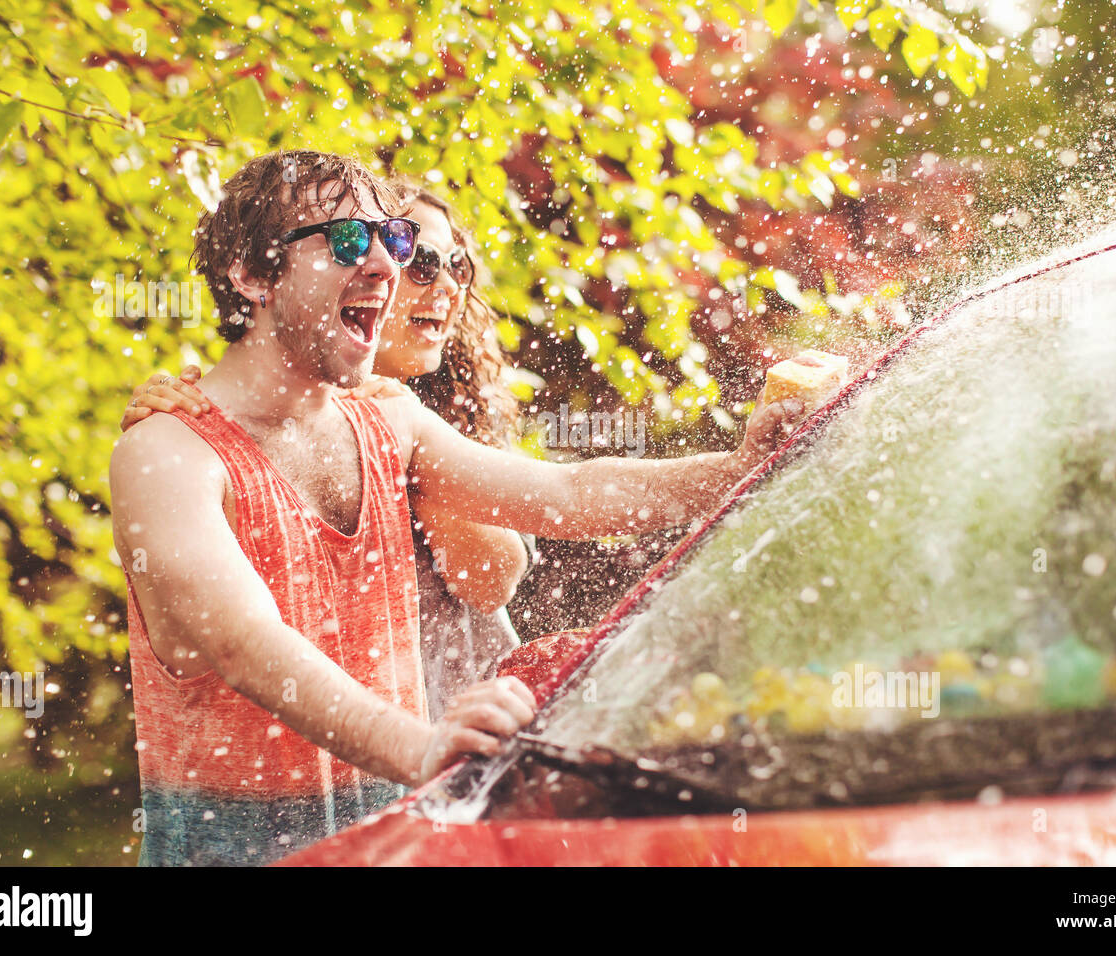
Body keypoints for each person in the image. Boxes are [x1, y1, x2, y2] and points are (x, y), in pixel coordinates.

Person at [110, 149, 808, 866]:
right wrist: (424, 745)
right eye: (349, 239)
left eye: (394, 239)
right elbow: (243, 642)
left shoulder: (390, 422)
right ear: (251, 275)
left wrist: (740, 468)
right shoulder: (166, 454)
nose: (384, 264)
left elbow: (570, 494)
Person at [123, 182, 531, 722]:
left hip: (477, 722)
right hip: (331, 742)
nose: (449, 286)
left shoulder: (440, 411)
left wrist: (396, 431)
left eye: (458, 265)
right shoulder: (246, 417)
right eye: (424, 263)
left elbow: (491, 579)